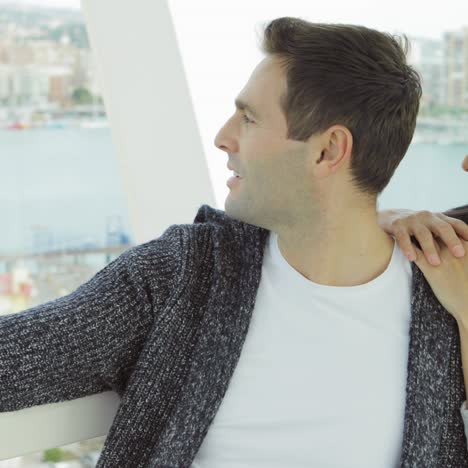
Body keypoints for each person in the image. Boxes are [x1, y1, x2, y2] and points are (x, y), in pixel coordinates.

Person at [0, 18, 467, 468]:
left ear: (328, 151)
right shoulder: (184, 277)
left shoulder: (445, 297)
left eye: (248, 118)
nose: (224, 138)